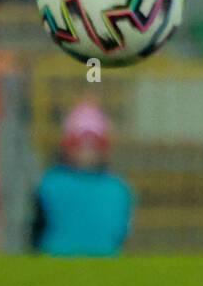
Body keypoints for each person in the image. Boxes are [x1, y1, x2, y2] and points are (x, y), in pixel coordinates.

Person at [31, 104, 134, 257]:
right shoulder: (50, 184)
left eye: (92, 145)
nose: (87, 151)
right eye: (81, 145)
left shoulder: (119, 189)